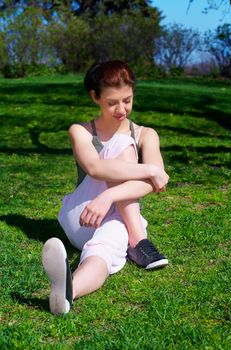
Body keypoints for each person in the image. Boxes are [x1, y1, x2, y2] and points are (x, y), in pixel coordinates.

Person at [42, 60, 169, 315]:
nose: (122, 109)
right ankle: (139, 240)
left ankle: (69, 291)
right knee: (123, 145)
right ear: (95, 97)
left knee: (102, 251)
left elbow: (156, 183)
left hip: (114, 216)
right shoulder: (81, 131)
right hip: (83, 212)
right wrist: (151, 169)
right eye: (112, 102)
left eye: (127, 100)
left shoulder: (147, 134)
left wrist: (111, 195)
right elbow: (95, 168)